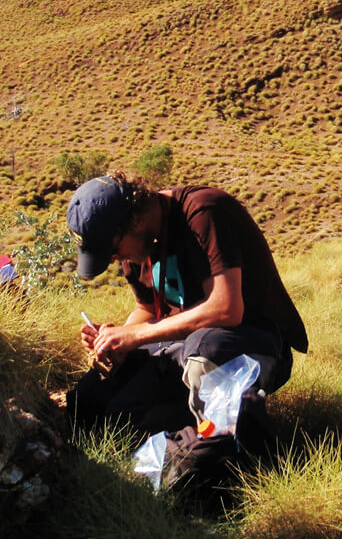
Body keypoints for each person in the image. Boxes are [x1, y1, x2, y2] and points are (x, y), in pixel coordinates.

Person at [64, 172, 307, 434]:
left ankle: (231, 444)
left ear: (136, 220)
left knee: (204, 349)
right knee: (88, 405)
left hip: (254, 341)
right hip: (182, 346)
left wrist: (135, 334)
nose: (113, 259)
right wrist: (117, 340)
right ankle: (177, 427)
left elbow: (227, 309)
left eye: (112, 250)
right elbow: (146, 309)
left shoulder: (204, 212)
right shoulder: (135, 245)